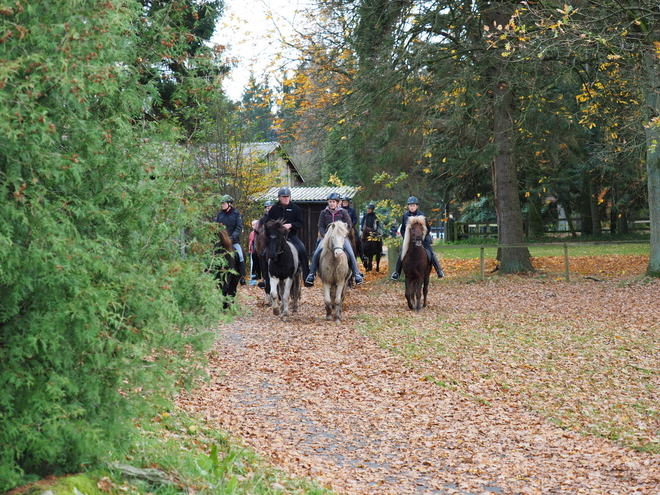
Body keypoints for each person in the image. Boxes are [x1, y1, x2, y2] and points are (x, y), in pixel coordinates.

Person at [305, 193, 364, 287]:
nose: (331, 203)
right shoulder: (324, 212)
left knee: (351, 253)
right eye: (330, 202)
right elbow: (320, 225)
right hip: (327, 238)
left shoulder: (343, 212)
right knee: (317, 252)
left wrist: (343, 234)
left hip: (340, 237)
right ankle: (311, 274)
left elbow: (349, 224)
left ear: (337, 203)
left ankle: (356, 274)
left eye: (333, 202)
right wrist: (324, 235)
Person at [391, 196, 444, 280]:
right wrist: (406, 238)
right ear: (408, 206)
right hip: (410, 240)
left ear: (417, 206)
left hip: (421, 238)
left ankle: (439, 270)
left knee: (430, 252)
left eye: (414, 205)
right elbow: (403, 229)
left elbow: (428, 228)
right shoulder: (405, 215)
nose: (412, 207)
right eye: (410, 205)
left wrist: (422, 238)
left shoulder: (422, 215)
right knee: (402, 253)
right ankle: (397, 272)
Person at [267, 187, 309, 280]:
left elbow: (300, 223)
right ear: (279, 197)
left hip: (291, 235)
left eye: (287, 196)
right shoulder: (273, 209)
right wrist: (276, 226)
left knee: (302, 249)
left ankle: (307, 276)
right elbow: (268, 222)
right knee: (264, 252)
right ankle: (264, 276)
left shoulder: (295, 209)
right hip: (276, 237)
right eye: (284, 197)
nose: (286, 198)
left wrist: (291, 225)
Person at [214, 194, 246, 285]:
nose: (222, 205)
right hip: (220, 242)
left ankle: (242, 276)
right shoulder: (219, 214)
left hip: (233, 241)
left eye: (224, 203)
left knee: (240, 256)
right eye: (221, 203)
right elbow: (214, 226)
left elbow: (238, 228)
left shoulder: (236, 214)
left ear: (229, 203)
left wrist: (231, 238)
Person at [341, 196, 364, 261]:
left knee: (357, 239)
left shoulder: (352, 210)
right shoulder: (340, 210)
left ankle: (362, 255)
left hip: (351, 228)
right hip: (342, 229)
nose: (345, 203)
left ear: (348, 203)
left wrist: (352, 225)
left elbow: (355, 219)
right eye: (344, 202)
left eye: (346, 202)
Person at [248, 219, 260, 285]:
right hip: (253, 251)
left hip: (259, 253)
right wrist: (250, 249)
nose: (253, 226)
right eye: (252, 225)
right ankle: (252, 281)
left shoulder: (261, 233)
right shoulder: (252, 233)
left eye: (254, 225)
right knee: (252, 266)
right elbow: (250, 242)